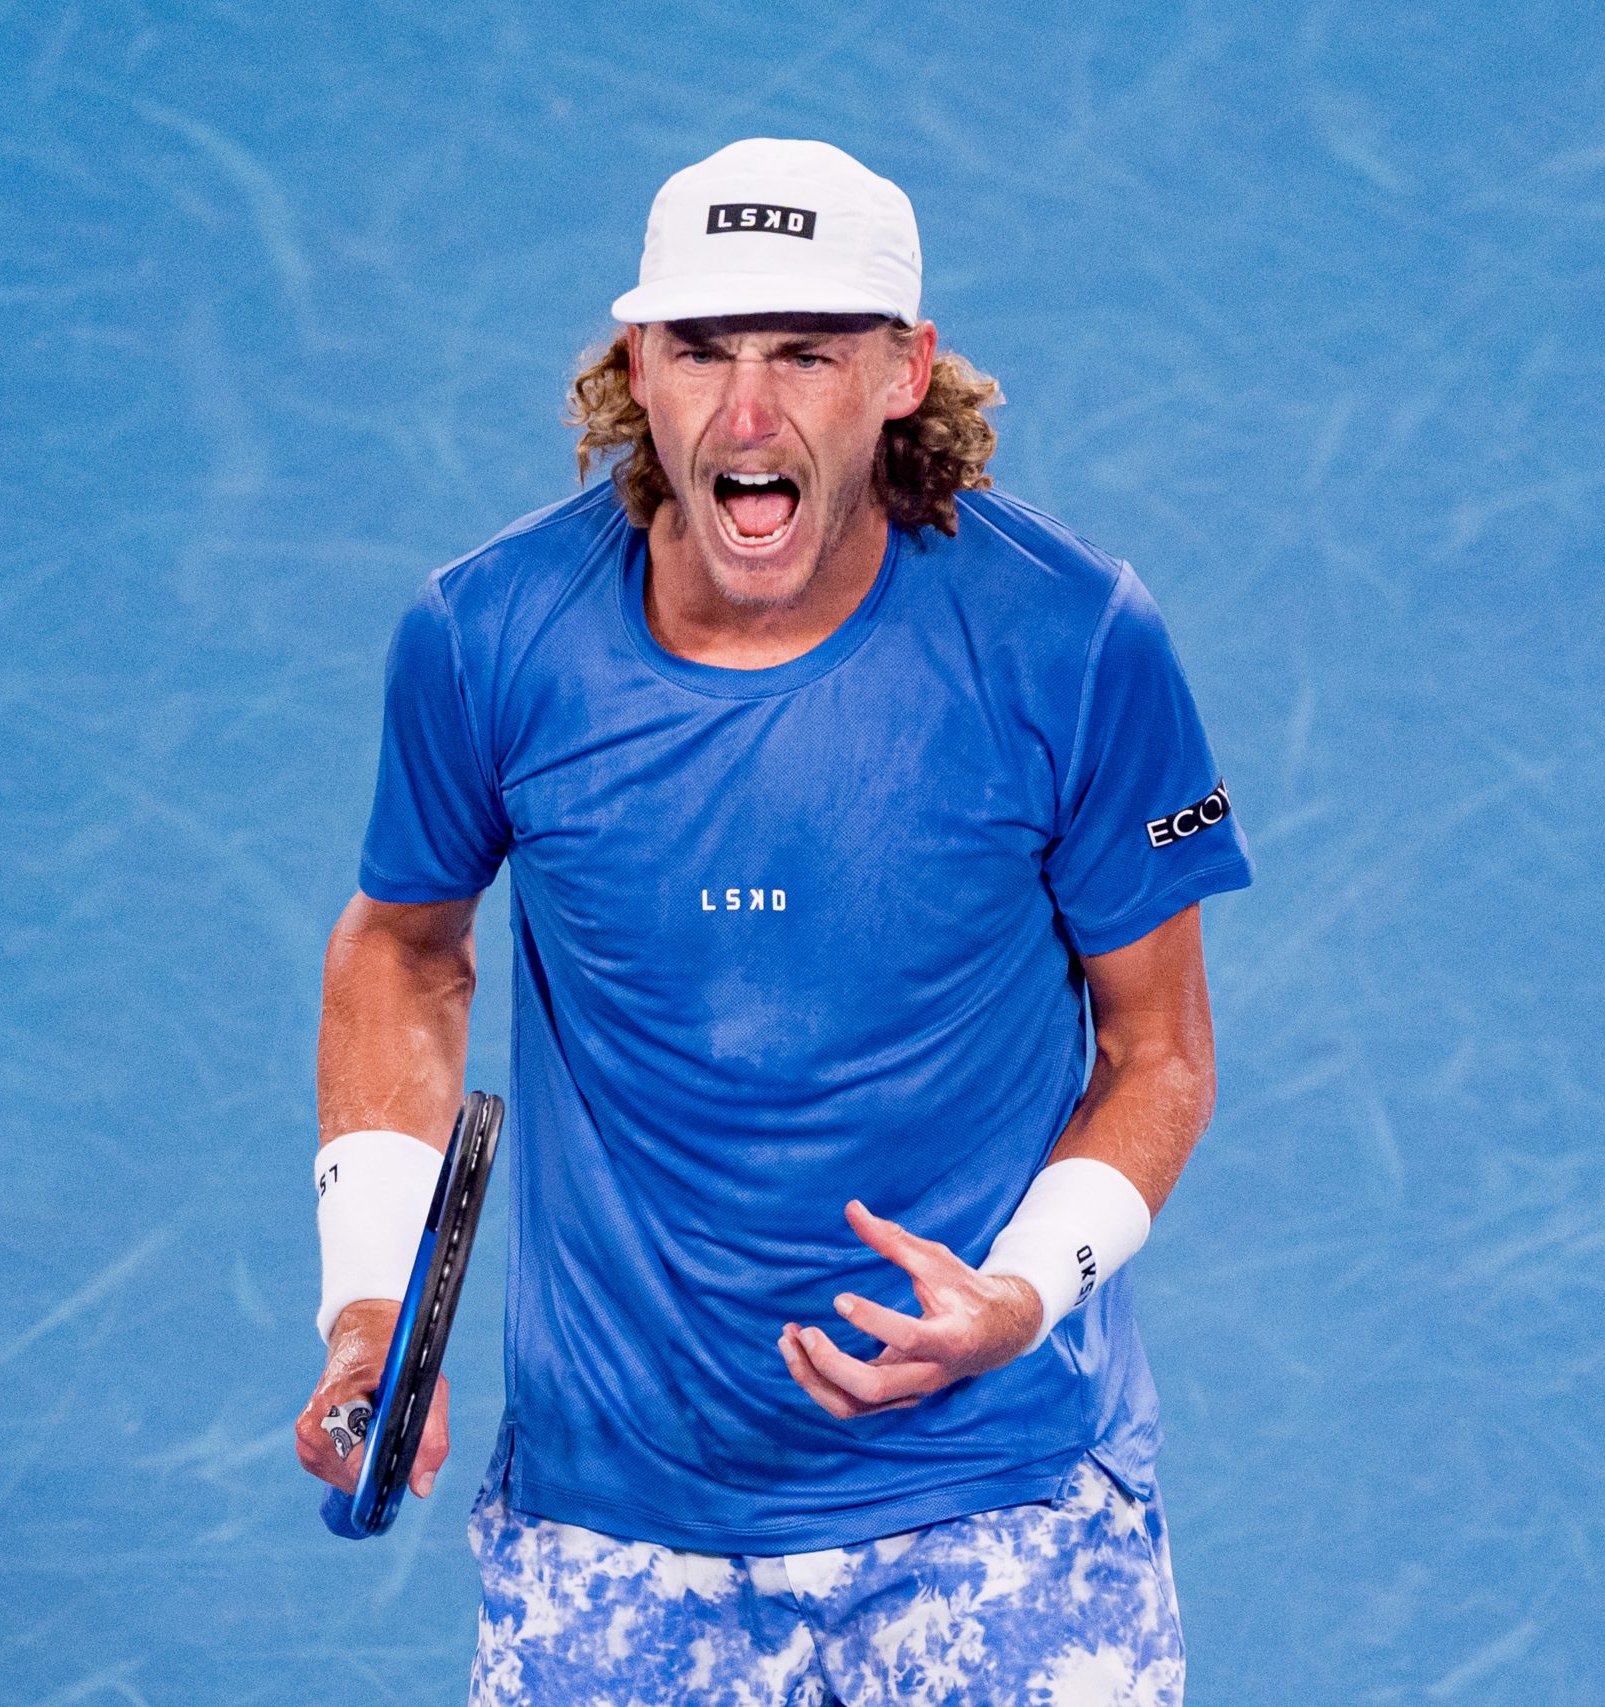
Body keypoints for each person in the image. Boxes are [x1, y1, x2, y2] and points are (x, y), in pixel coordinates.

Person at [292, 138, 1251, 1704]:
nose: (748, 413)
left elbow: (1161, 1052)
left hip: (1001, 1506)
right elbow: (402, 949)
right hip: (614, 1525)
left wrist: (1014, 1299)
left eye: (806, 350)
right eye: (703, 351)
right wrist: (371, 1306)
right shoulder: (486, 638)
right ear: (635, 369)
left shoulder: (1079, 642)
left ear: (902, 372)